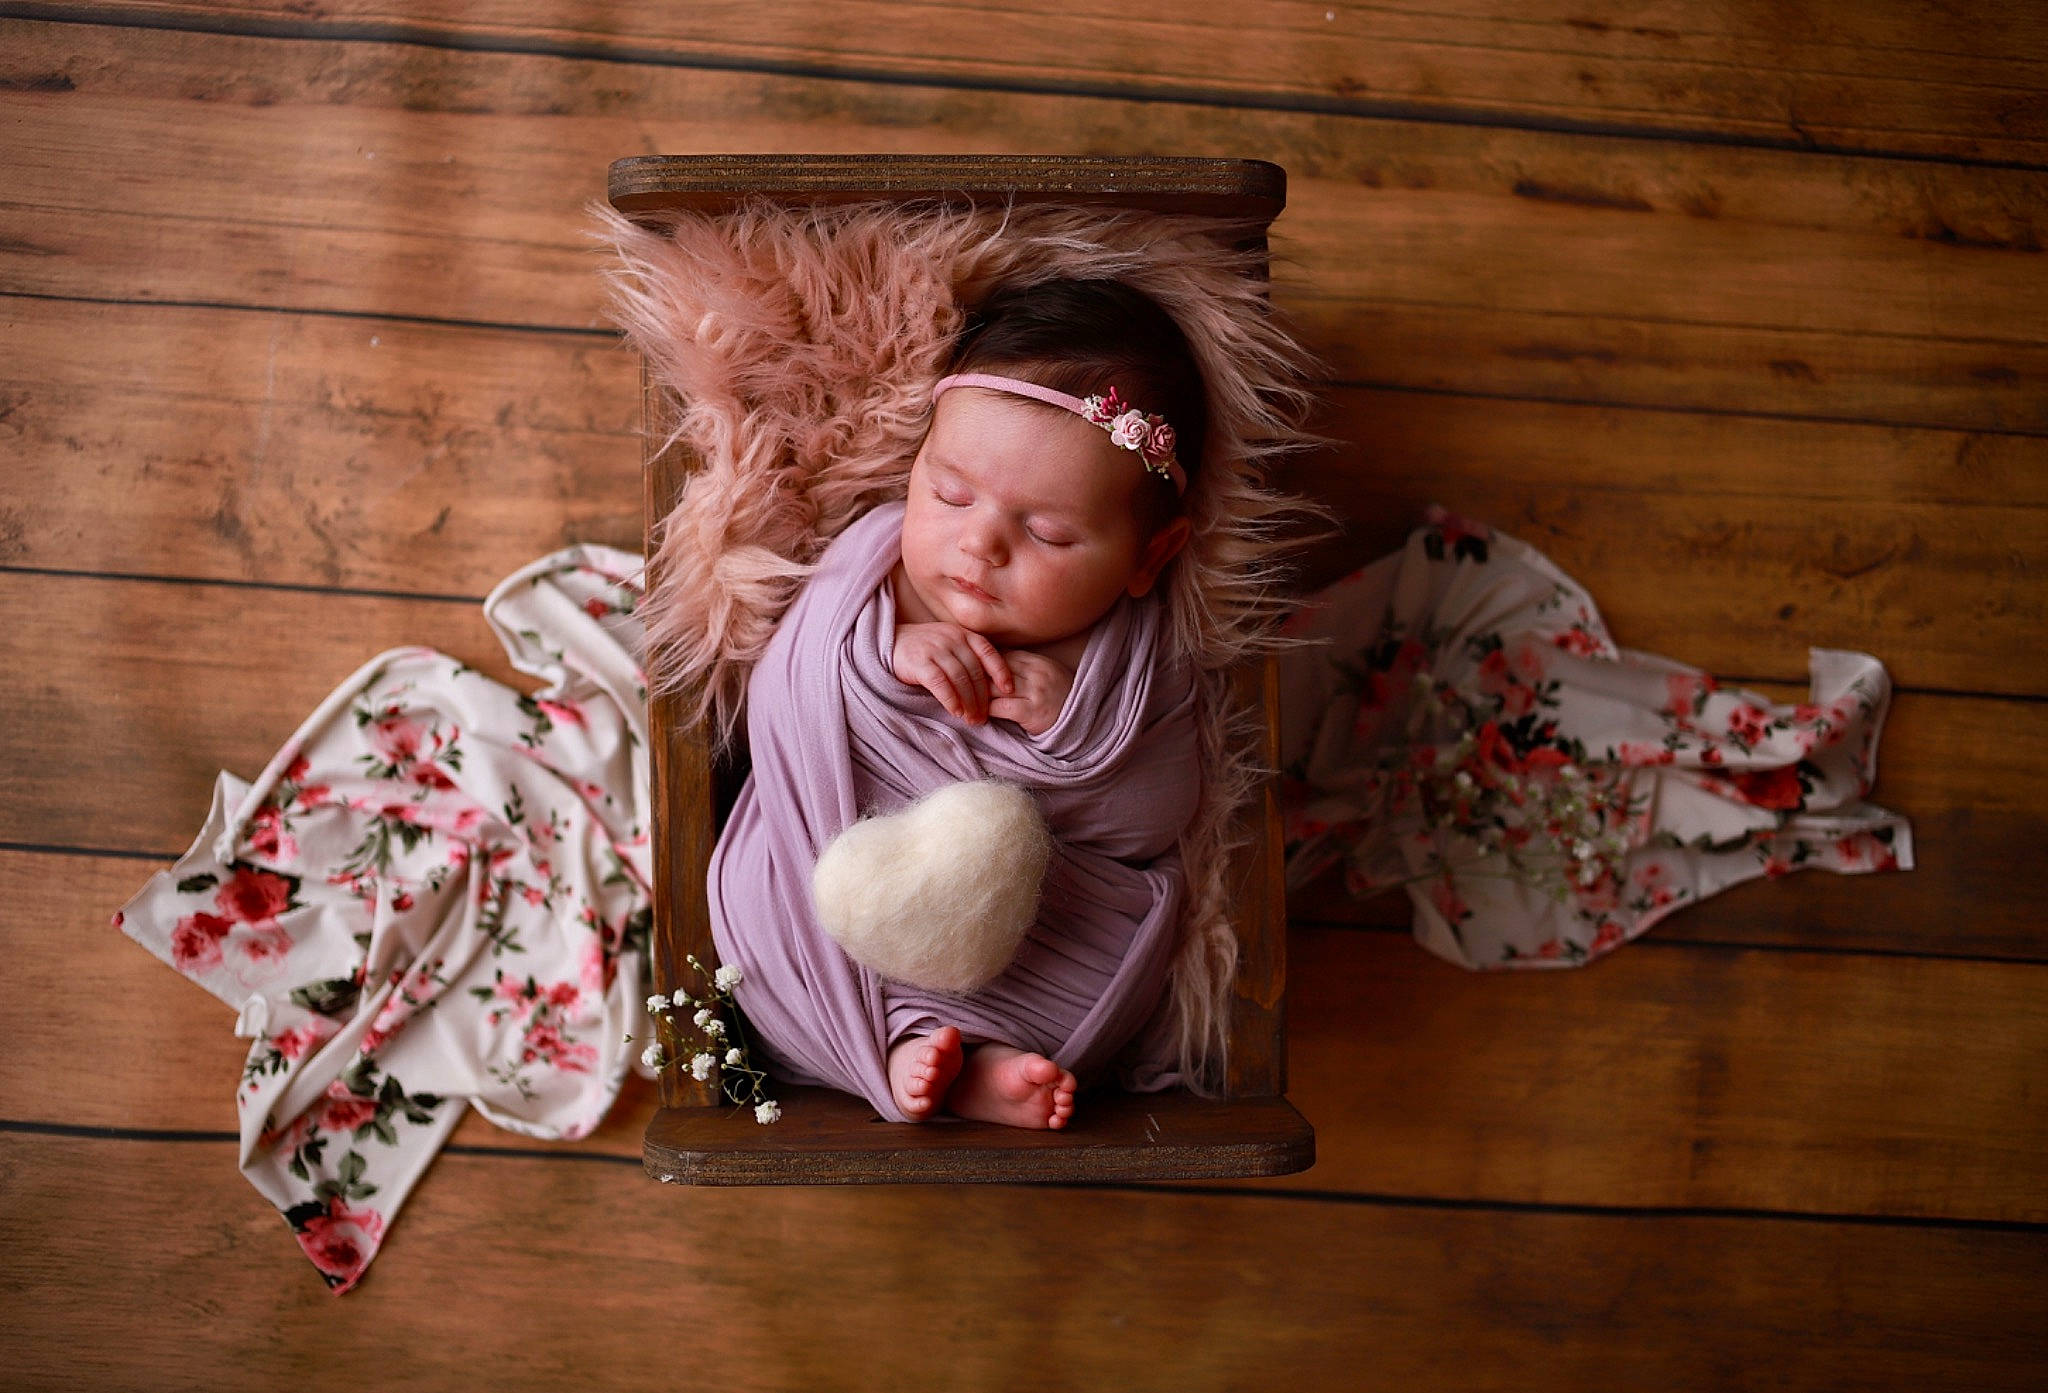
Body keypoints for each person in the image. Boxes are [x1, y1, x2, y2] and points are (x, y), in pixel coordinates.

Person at [705, 277, 1212, 1132]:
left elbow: (1157, 815)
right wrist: (880, 656)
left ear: (1150, 554)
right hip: (827, 890)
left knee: (1045, 920)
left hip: (1036, 944)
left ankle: (967, 1060)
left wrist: (1069, 728)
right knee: (792, 908)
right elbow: (779, 696)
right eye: (949, 494)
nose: (980, 542)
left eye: (1048, 533)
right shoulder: (871, 579)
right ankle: (896, 1049)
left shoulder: (1128, 659)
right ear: (916, 468)